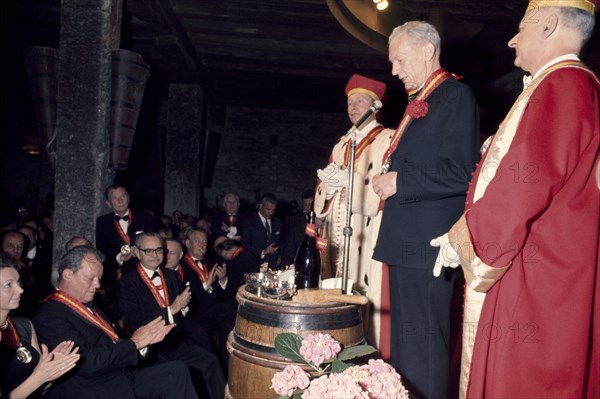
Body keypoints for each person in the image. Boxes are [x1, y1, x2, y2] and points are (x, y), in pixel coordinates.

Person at [433, 1, 600, 397]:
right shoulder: (574, 85)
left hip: (533, 266)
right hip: (549, 256)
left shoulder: (562, 84)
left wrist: (469, 240)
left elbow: (525, 181)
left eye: (521, 26)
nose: (511, 39)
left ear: (549, 24)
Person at [371, 21, 480, 398]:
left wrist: (400, 181)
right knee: (406, 352)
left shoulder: (456, 96)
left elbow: (462, 172)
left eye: (400, 59)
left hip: (427, 247)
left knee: (426, 352)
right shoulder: (425, 98)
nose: (394, 70)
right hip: (406, 243)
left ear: (427, 51)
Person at [32, 245, 199, 399]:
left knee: (177, 371)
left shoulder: (90, 305)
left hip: (116, 375)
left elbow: (115, 344)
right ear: (68, 275)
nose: (97, 285)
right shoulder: (49, 315)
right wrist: (135, 343)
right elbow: (88, 363)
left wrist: (142, 344)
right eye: (91, 278)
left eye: (99, 278)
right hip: (92, 389)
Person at [313, 74, 394, 349]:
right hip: (337, 236)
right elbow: (322, 194)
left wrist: (355, 188)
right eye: (350, 102)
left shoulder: (387, 139)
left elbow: (389, 187)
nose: (353, 107)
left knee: (364, 295)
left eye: (361, 101)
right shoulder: (341, 144)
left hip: (366, 233)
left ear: (376, 106)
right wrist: (328, 187)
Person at [116, 232, 226, 399]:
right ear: (137, 253)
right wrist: (171, 310)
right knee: (178, 373)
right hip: (151, 349)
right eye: (149, 251)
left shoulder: (171, 275)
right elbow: (132, 322)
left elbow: (185, 312)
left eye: (159, 250)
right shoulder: (127, 283)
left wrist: (184, 307)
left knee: (211, 361)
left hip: (176, 342)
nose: (155, 255)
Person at [0, 252, 80, 398]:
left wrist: (51, 370)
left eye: (18, 283)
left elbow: (40, 389)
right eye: (8, 285)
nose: (20, 290)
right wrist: (39, 377)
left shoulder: (24, 326)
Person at [180, 228, 237, 368]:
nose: (202, 245)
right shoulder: (181, 267)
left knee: (229, 310)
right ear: (188, 244)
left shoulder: (212, 262)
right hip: (196, 311)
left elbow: (224, 292)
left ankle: (228, 362)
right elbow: (189, 299)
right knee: (226, 310)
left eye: (205, 242)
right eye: (198, 241)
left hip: (216, 310)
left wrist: (222, 280)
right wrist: (206, 285)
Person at [95, 184, 156, 276]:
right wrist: (119, 257)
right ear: (108, 203)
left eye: (123, 196)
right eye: (114, 198)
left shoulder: (145, 218)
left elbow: (155, 241)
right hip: (117, 273)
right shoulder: (102, 222)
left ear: (128, 198)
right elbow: (102, 246)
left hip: (145, 269)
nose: (120, 201)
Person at [241, 192, 282, 269]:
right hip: (255, 264)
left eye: (273, 210)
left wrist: (280, 256)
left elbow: (281, 242)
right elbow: (245, 244)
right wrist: (262, 252)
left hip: (273, 265)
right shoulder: (249, 222)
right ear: (260, 206)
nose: (271, 213)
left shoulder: (278, 222)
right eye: (268, 209)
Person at [214, 236, 260, 301]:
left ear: (224, 253)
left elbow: (230, 293)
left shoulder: (234, 264)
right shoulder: (248, 254)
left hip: (242, 301)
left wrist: (222, 279)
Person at [280, 189, 314, 267]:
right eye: (306, 205)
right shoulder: (295, 220)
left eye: (310, 205)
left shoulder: (321, 221)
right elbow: (289, 246)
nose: (308, 208)